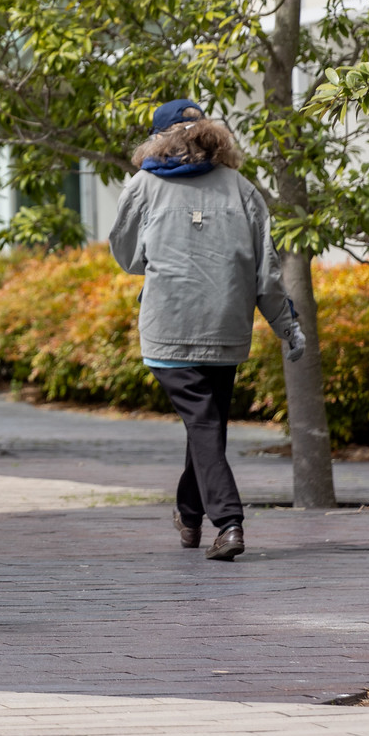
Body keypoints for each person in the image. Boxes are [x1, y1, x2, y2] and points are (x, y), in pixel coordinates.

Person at [108, 99, 306, 562]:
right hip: (226, 329)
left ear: (158, 140)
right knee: (206, 425)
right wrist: (287, 327)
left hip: (168, 329)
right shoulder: (241, 188)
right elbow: (267, 273)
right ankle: (191, 514)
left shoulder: (144, 185)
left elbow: (125, 255)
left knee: (204, 425)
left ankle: (227, 522)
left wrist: (155, 263)